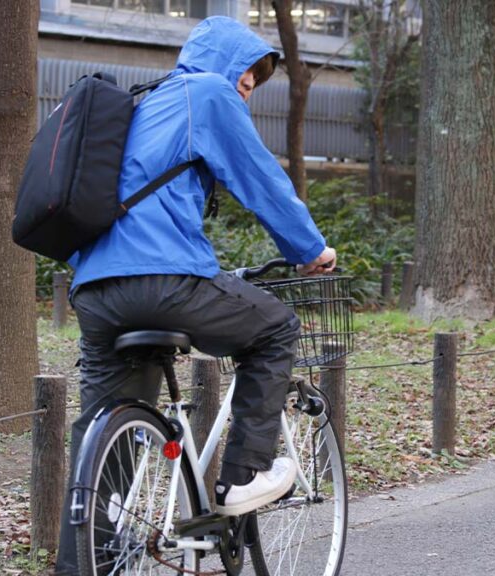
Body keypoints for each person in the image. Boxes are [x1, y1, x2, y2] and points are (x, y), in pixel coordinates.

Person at [53, 16, 337, 575]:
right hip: (163, 281)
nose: (246, 90)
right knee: (275, 326)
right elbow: (261, 181)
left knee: (107, 435)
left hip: (93, 292)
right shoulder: (206, 93)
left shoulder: (142, 106)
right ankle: (244, 477)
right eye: (246, 78)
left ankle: (84, 565)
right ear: (224, 63)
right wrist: (310, 248)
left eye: (253, 84)